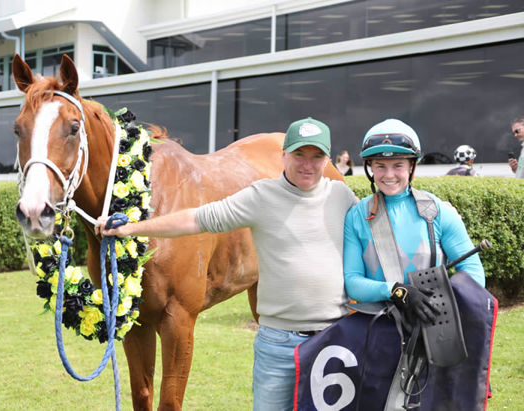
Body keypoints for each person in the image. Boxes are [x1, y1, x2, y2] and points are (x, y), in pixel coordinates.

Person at [96, 117, 358, 411]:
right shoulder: (262, 196)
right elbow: (194, 218)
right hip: (277, 343)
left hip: (329, 338)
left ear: (327, 159)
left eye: (317, 156)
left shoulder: (342, 196)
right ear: (284, 155)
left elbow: (372, 239)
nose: (307, 165)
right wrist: (132, 228)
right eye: (299, 155)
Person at [343, 119, 485, 322]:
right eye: (380, 166)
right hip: (376, 329)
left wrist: (444, 301)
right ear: (370, 168)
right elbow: (352, 282)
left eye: (398, 165)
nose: (389, 175)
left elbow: (472, 270)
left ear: (412, 166)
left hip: (431, 325)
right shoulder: (356, 216)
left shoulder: (438, 211)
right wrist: (396, 290)